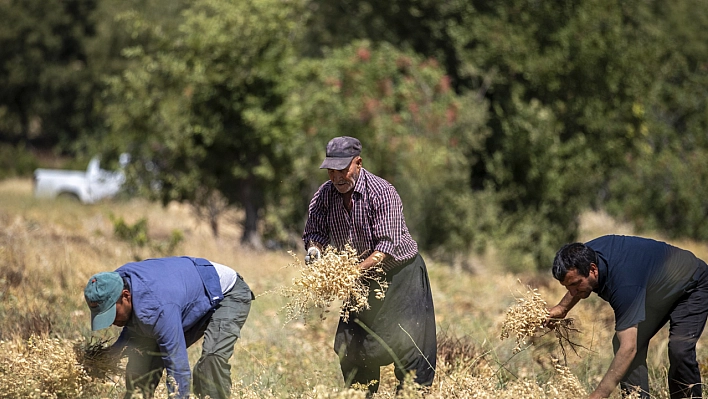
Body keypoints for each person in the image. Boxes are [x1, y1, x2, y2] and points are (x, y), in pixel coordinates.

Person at [303, 136, 437, 395]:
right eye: (331, 171)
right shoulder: (324, 195)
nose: (337, 177)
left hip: (400, 276)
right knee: (351, 348)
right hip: (361, 280)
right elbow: (315, 233)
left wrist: (351, 272)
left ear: (358, 163)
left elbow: (385, 248)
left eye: (343, 170)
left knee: (410, 349)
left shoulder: (383, 192)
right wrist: (314, 251)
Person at [548, 235, 708, 399]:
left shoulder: (624, 284)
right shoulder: (582, 255)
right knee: (623, 343)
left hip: (691, 285)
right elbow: (577, 281)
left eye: (576, 284)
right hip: (654, 290)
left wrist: (599, 395)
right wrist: (562, 308)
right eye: (568, 287)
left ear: (593, 269)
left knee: (679, 350)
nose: (573, 292)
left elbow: (628, 348)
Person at [83, 256, 254, 399]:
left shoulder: (158, 308)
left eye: (113, 314)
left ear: (126, 296)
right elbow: (134, 329)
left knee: (211, 359)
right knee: (142, 360)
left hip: (227, 292)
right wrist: (108, 355)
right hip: (185, 293)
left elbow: (178, 368)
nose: (112, 322)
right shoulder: (115, 282)